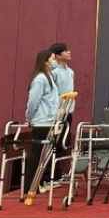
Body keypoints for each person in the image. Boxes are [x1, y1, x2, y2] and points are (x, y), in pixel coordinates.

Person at [24, 50, 61, 193]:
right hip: (41, 123)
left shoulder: (49, 77)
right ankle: (29, 187)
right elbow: (33, 101)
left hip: (50, 121)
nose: (55, 62)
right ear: (45, 61)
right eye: (53, 59)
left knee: (44, 156)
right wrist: (29, 117)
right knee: (37, 155)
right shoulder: (40, 79)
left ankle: (38, 183)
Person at [49, 43, 74, 180]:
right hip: (56, 113)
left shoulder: (70, 71)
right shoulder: (53, 72)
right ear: (58, 56)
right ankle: (48, 176)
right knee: (52, 143)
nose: (69, 52)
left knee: (61, 144)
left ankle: (56, 174)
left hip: (67, 112)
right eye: (65, 51)